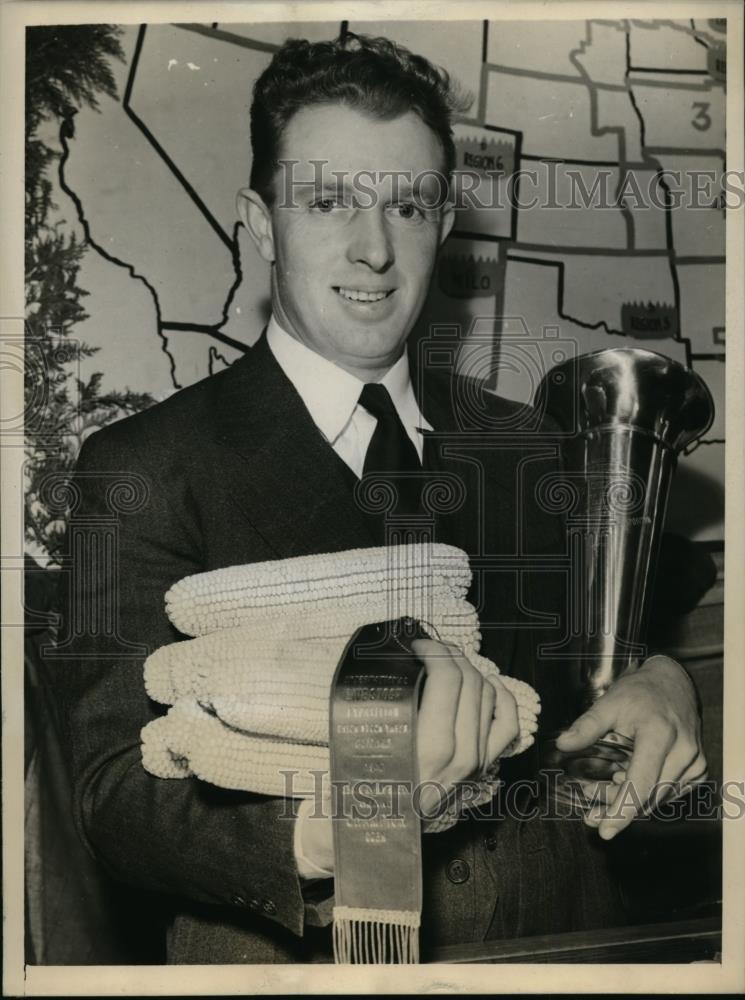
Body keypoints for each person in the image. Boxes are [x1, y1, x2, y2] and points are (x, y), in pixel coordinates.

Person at [56, 33, 706, 964]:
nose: (372, 249)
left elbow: (583, 687)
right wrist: (330, 838)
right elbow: (109, 790)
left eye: (406, 205)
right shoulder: (141, 466)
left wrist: (664, 684)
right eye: (328, 202)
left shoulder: (530, 446)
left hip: (563, 944)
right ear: (260, 220)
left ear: (442, 224)